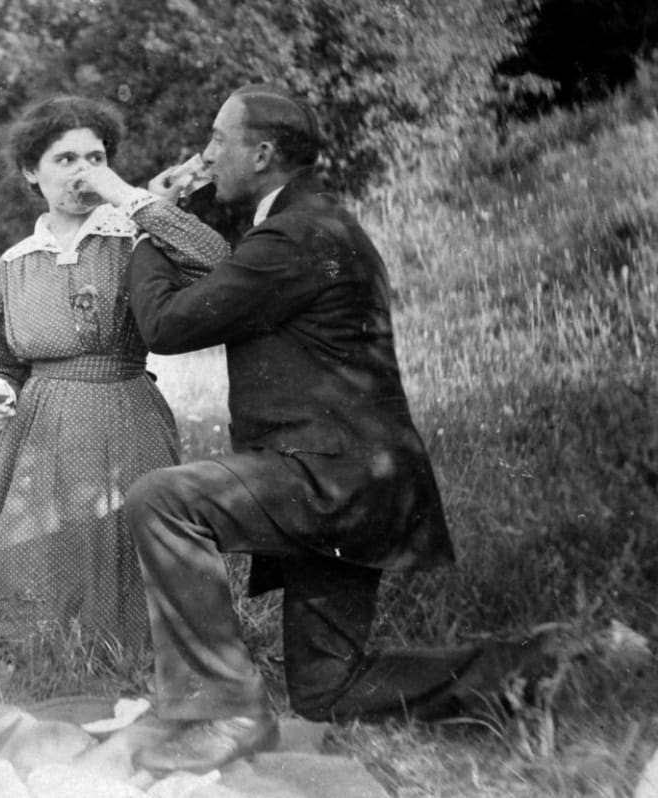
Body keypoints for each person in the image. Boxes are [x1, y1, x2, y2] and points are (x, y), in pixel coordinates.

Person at [79, 84, 557, 773]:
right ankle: (525, 669)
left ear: (264, 153)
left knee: (165, 498)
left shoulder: (295, 237)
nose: (206, 153)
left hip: (332, 479)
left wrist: (147, 215)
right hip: (360, 483)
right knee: (327, 688)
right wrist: (166, 214)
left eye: (219, 139)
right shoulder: (305, 224)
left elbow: (169, 325)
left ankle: (221, 710)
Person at [0, 95, 227, 651]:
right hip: (37, 430)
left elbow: (217, 260)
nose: (82, 172)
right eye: (65, 160)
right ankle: (41, 654)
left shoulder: (135, 238)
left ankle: (131, 654)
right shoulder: (11, 265)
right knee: (34, 553)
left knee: (123, 542)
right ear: (29, 172)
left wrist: (132, 201)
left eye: (95, 158)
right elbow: (1, 361)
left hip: (125, 415)